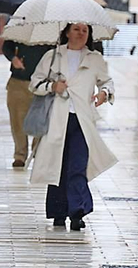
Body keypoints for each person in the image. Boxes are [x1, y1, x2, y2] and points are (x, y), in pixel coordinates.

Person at [29, 23, 118, 230]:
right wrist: (53, 86)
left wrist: (104, 93)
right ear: (67, 32)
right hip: (56, 119)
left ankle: (77, 212)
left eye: (85, 30)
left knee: (77, 166)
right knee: (57, 165)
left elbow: (108, 82)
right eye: (76, 29)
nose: (81, 33)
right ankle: (58, 212)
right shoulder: (53, 56)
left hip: (82, 119)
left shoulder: (94, 59)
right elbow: (35, 83)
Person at [2, 35, 51, 168]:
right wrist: (13, 58)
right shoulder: (20, 27)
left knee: (43, 119)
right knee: (17, 120)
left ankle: (38, 152)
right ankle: (20, 155)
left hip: (43, 83)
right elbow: (7, 46)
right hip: (19, 81)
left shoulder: (53, 30)